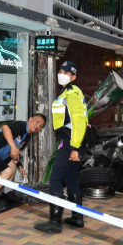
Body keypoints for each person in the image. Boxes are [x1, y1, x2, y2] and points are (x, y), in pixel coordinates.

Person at [34, 60, 88, 233]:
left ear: (73, 76)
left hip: (73, 141)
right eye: (60, 71)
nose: (61, 74)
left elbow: (79, 122)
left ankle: (55, 223)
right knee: (71, 179)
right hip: (71, 140)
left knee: (55, 179)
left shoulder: (71, 93)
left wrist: (73, 148)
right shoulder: (68, 92)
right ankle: (77, 218)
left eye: (66, 72)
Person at [0, 114, 46, 211]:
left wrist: (19, 164)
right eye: (37, 122)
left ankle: (7, 193)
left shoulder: (27, 137)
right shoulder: (20, 125)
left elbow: (13, 155)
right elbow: (5, 127)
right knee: (7, 172)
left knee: (13, 165)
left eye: (41, 126)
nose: (38, 126)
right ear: (30, 119)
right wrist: (13, 147)